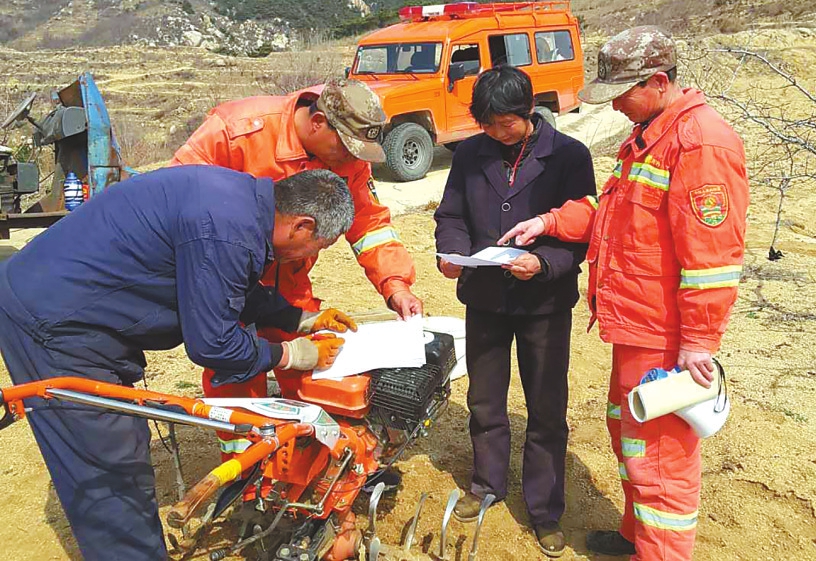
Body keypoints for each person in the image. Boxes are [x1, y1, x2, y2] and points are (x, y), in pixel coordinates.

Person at [0, 166, 358, 561]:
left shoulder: (241, 207)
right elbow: (214, 345)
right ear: (302, 226)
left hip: (77, 307)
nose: (314, 256)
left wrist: (300, 320)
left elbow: (227, 285)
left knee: (120, 443)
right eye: (319, 246)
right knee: (108, 463)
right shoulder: (224, 229)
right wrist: (293, 355)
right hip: (53, 321)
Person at [499, 26, 749, 561]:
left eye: (623, 90)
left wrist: (699, 342)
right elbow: (609, 212)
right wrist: (547, 220)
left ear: (658, 82)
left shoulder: (700, 143)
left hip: (665, 336)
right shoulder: (649, 135)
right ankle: (637, 536)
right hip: (634, 326)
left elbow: (712, 260)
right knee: (631, 438)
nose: (613, 103)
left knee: (660, 460)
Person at [170, 79, 422, 463]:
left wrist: (396, 284)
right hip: (222, 277)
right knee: (235, 372)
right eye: (346, 148)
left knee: (318, 362)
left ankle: (321, 466)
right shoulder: (235, 131)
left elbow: (369, 225)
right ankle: (249, 478)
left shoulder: (347, 157)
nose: (352, 160)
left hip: (289, 283)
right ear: (318, 121)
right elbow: (174, 202)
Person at [434, 65, 596, 558]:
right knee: (485, 399)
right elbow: (451, 215)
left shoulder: (568, 156)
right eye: (488, 124)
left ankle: (545, 509)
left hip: (544, 302)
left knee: (546, 407)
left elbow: (585, 232)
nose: (497, 133)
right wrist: (450, 253)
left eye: (505, 123)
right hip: (484, 297)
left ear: (528, 111)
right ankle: (487, 484)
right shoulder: (471, 155)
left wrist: (543, 261)